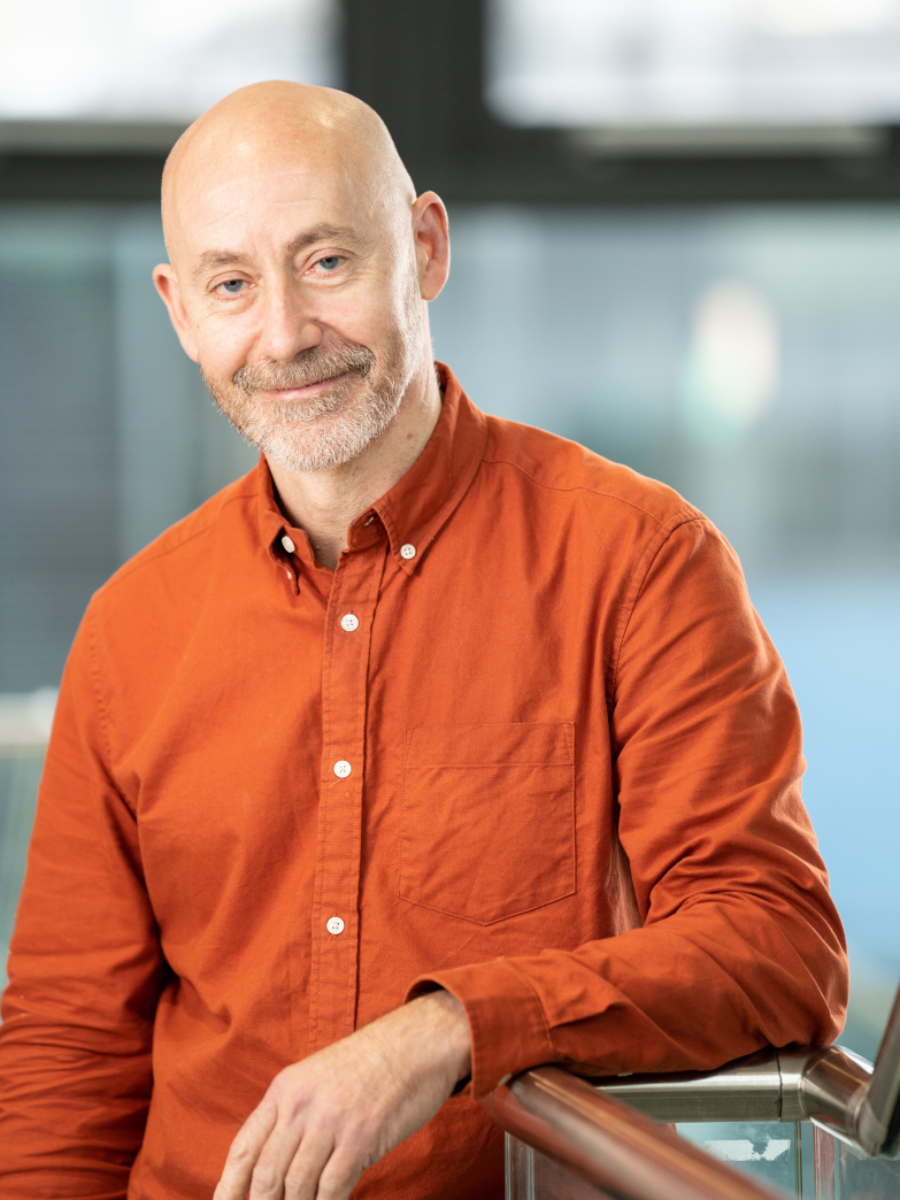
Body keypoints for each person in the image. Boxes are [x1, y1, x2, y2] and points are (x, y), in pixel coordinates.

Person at [0, 81, 847, 1200]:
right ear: (179, 310)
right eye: (233, 284)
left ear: (426, 247)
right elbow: (68, 1052)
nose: (287, 334)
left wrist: (447, 1030)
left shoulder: (640, 561)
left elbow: (776, 945)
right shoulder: (130, 630)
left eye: (328, 262)